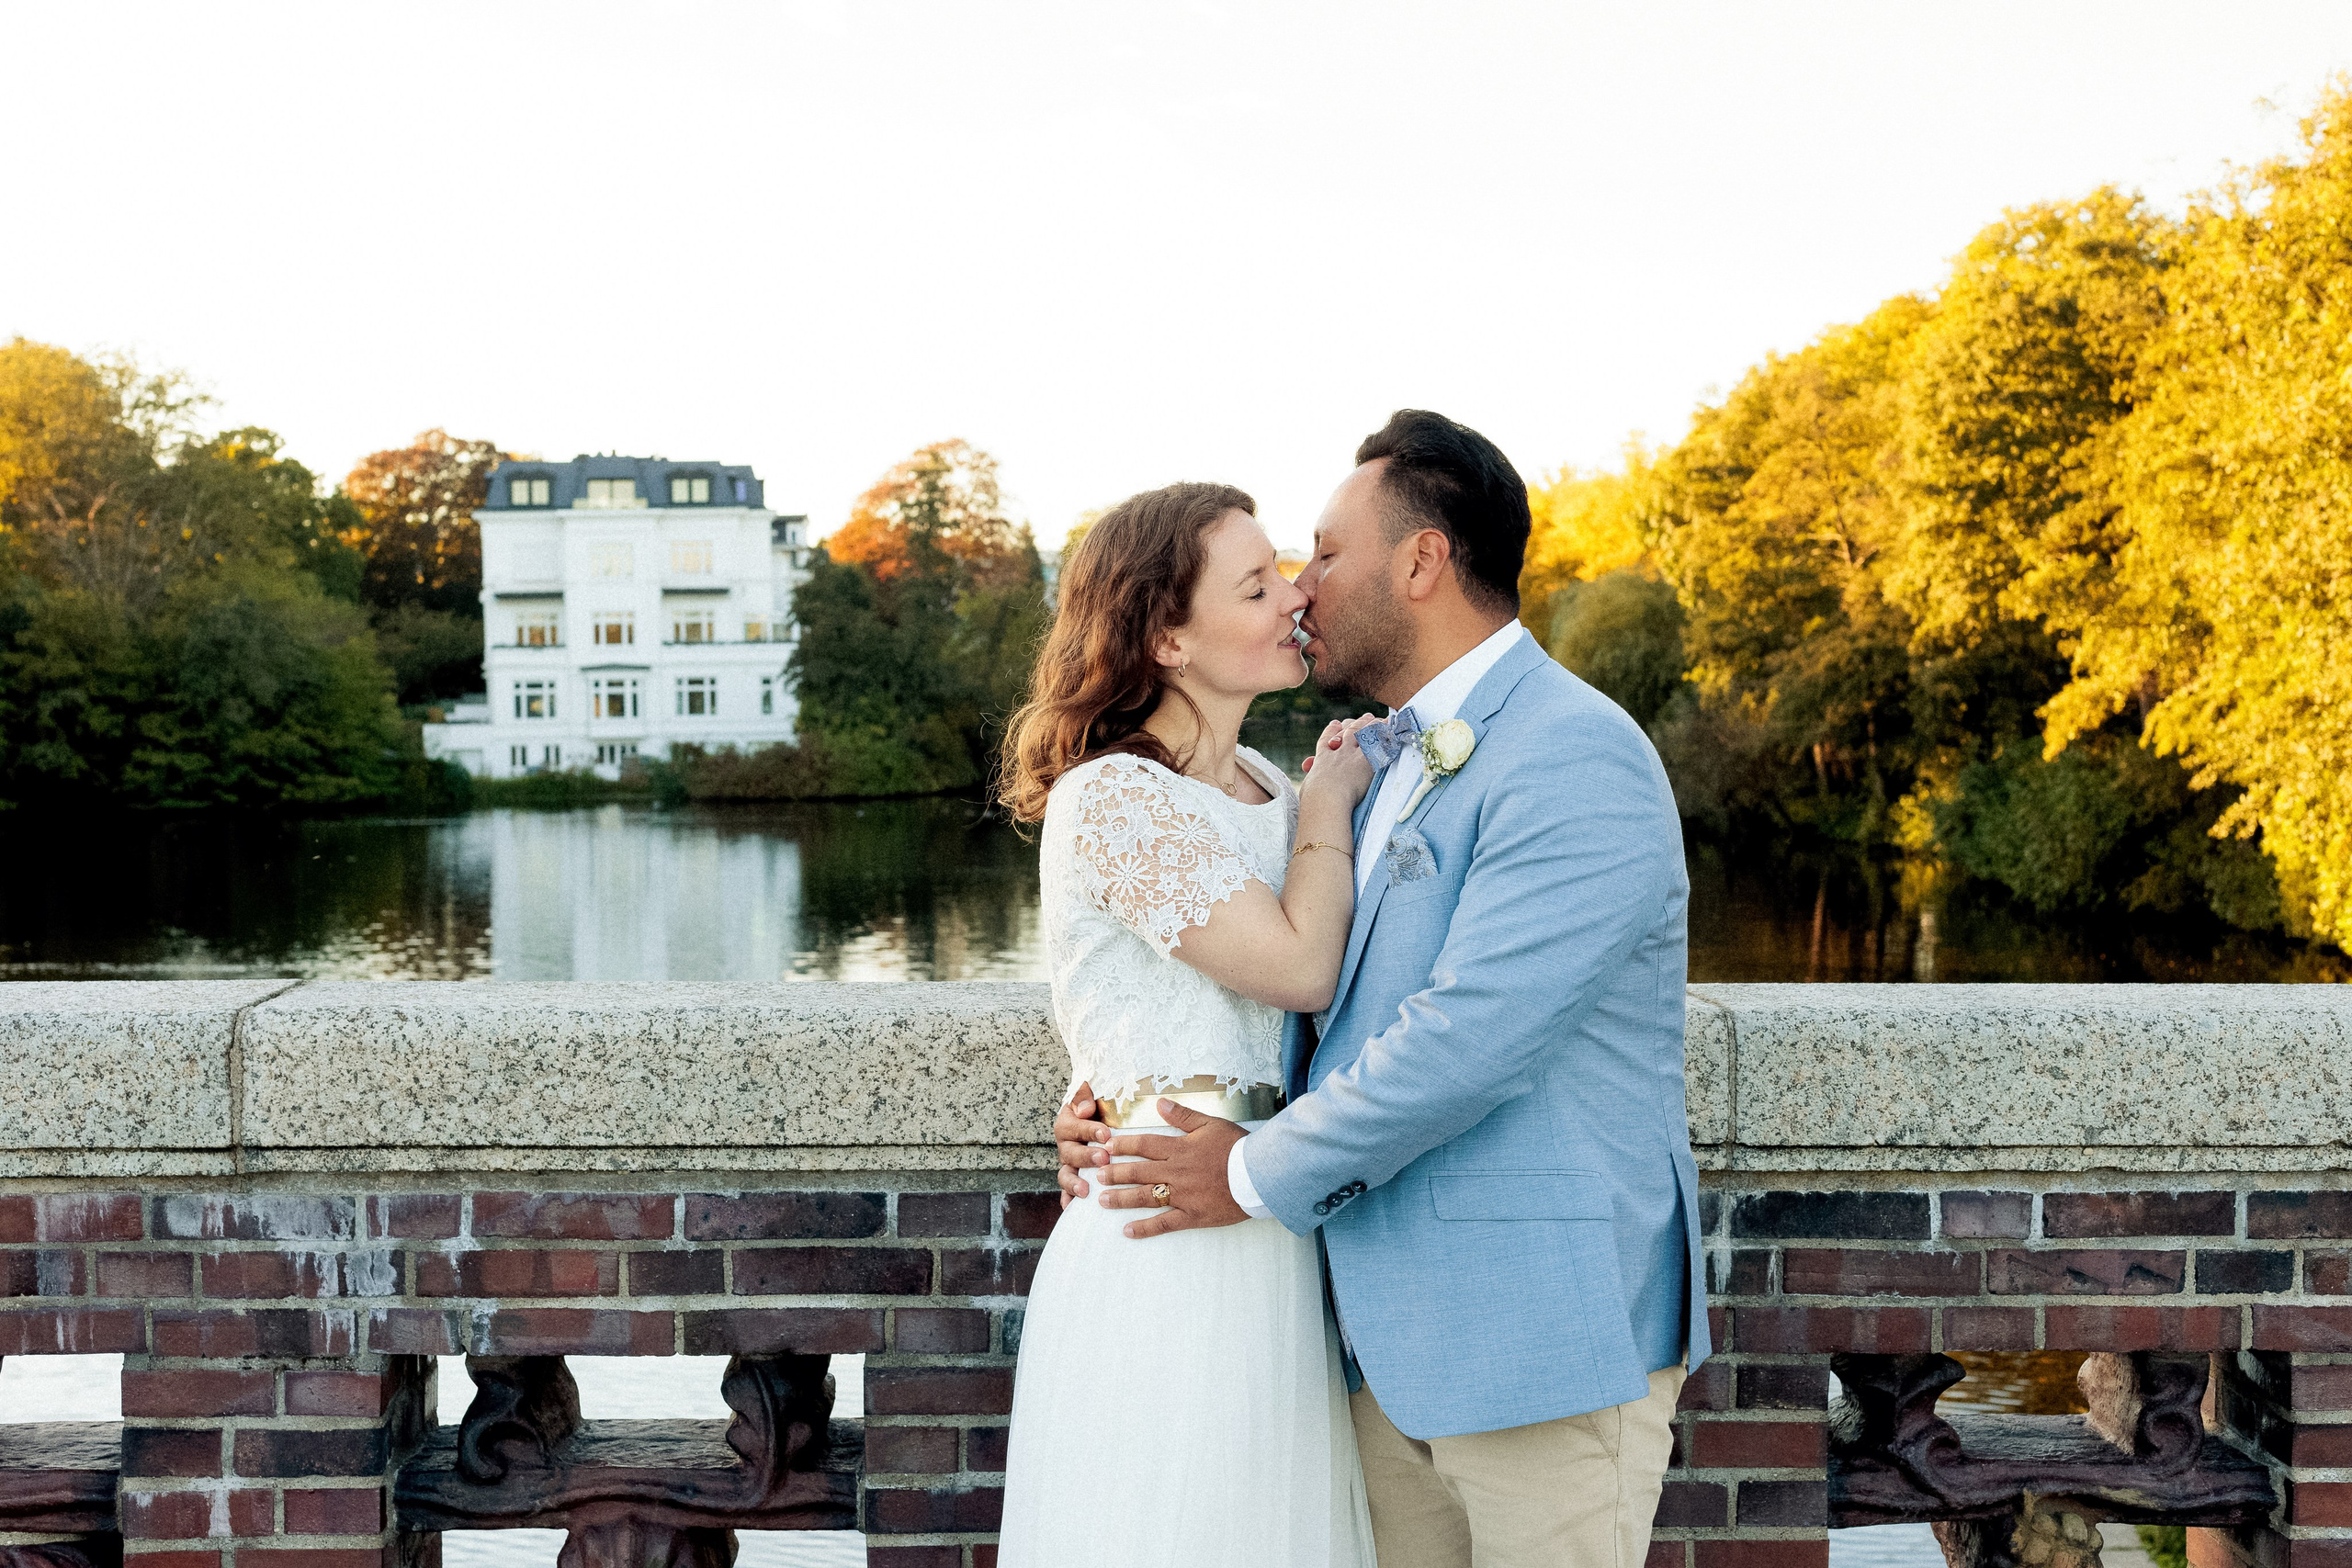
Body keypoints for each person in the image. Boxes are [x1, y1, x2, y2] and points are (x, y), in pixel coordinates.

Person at [1048, 411, 1710, 1568]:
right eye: (1269, 575)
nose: (1304, 587)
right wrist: (1121, 1082)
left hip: (1535, 1345)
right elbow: (1268, 986)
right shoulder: (1380, 759)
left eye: (1323, 553)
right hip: (1363, 1343)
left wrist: (1244, 1166)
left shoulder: (1571, 751)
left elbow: (1471, 1038)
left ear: (1420, 563)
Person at [993, 480, 1382, 1568]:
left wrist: (1305, 801)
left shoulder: (1262, 779)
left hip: (1268, 1217)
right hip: (1162, 1234)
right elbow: (1301, 968)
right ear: (1166, 634)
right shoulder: (1114, 797)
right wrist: (1328, 808)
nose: (1295, 596)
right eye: (1257, 586)